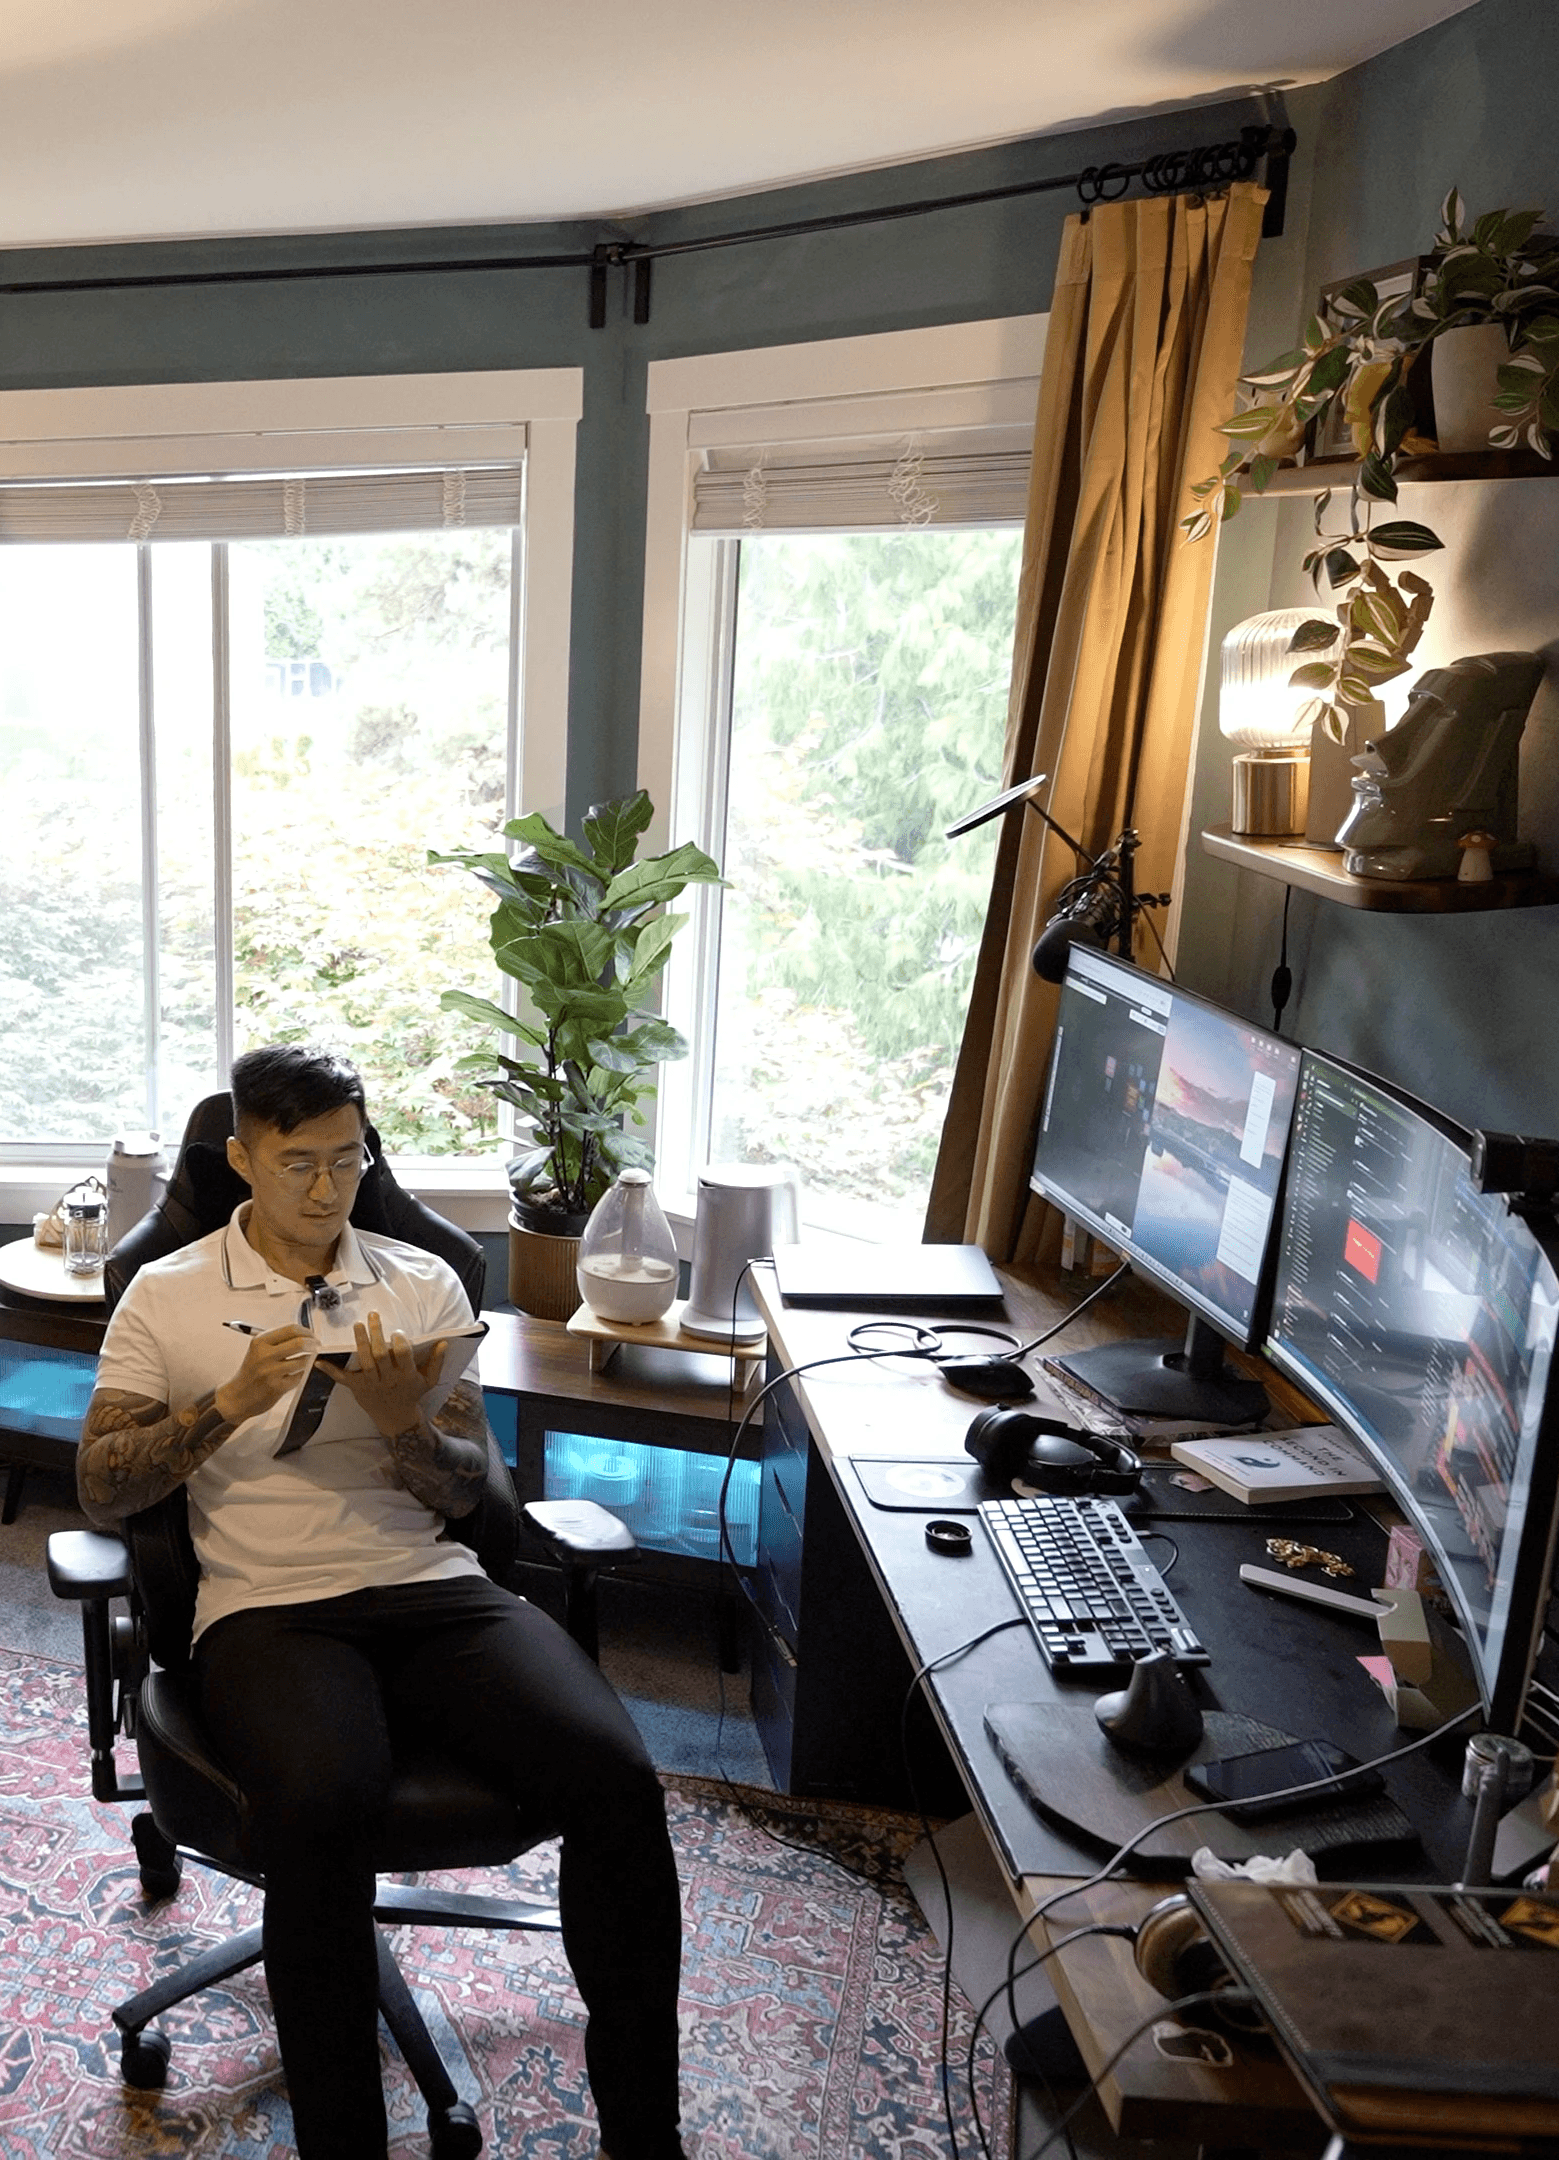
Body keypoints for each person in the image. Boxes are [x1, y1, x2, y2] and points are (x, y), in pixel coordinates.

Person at [78, 1045, 685, 2160]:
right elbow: (103, 1485)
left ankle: (645, 2132)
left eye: (347, 1159)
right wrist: (224, 1406)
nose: (327, 1187)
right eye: (297, 1163)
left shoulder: (422, 1282)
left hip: (431, 1589)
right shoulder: (167, 1292)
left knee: (617, 1781)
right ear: (242, 1160)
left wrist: (408, 1424)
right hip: (266, 1607)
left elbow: (470, 1499)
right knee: (323, 1802)